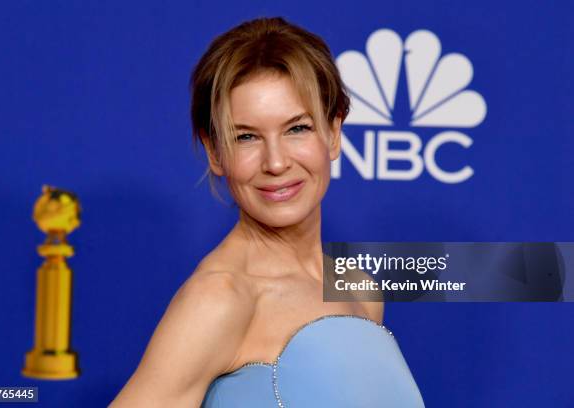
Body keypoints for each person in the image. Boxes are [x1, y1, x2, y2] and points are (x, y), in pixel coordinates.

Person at [110, 17, 424, 407]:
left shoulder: (359, 288)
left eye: (297, 129)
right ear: (214, 152)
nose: (275, 162)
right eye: (246, 137)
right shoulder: (221, 298)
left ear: (333, 132)